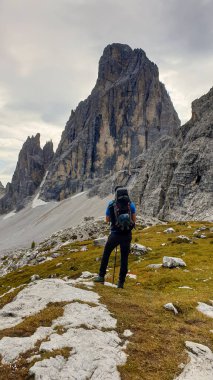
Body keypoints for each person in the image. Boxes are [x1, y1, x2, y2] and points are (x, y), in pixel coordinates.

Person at [94, 186, 136, 288]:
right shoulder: (131, 205)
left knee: (106, 254)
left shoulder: (111, 204)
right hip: (127, 235)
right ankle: (121, 283)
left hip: (115, 235)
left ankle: (101, 276)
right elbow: (134, 220)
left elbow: (107, 220)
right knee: (124, 259)